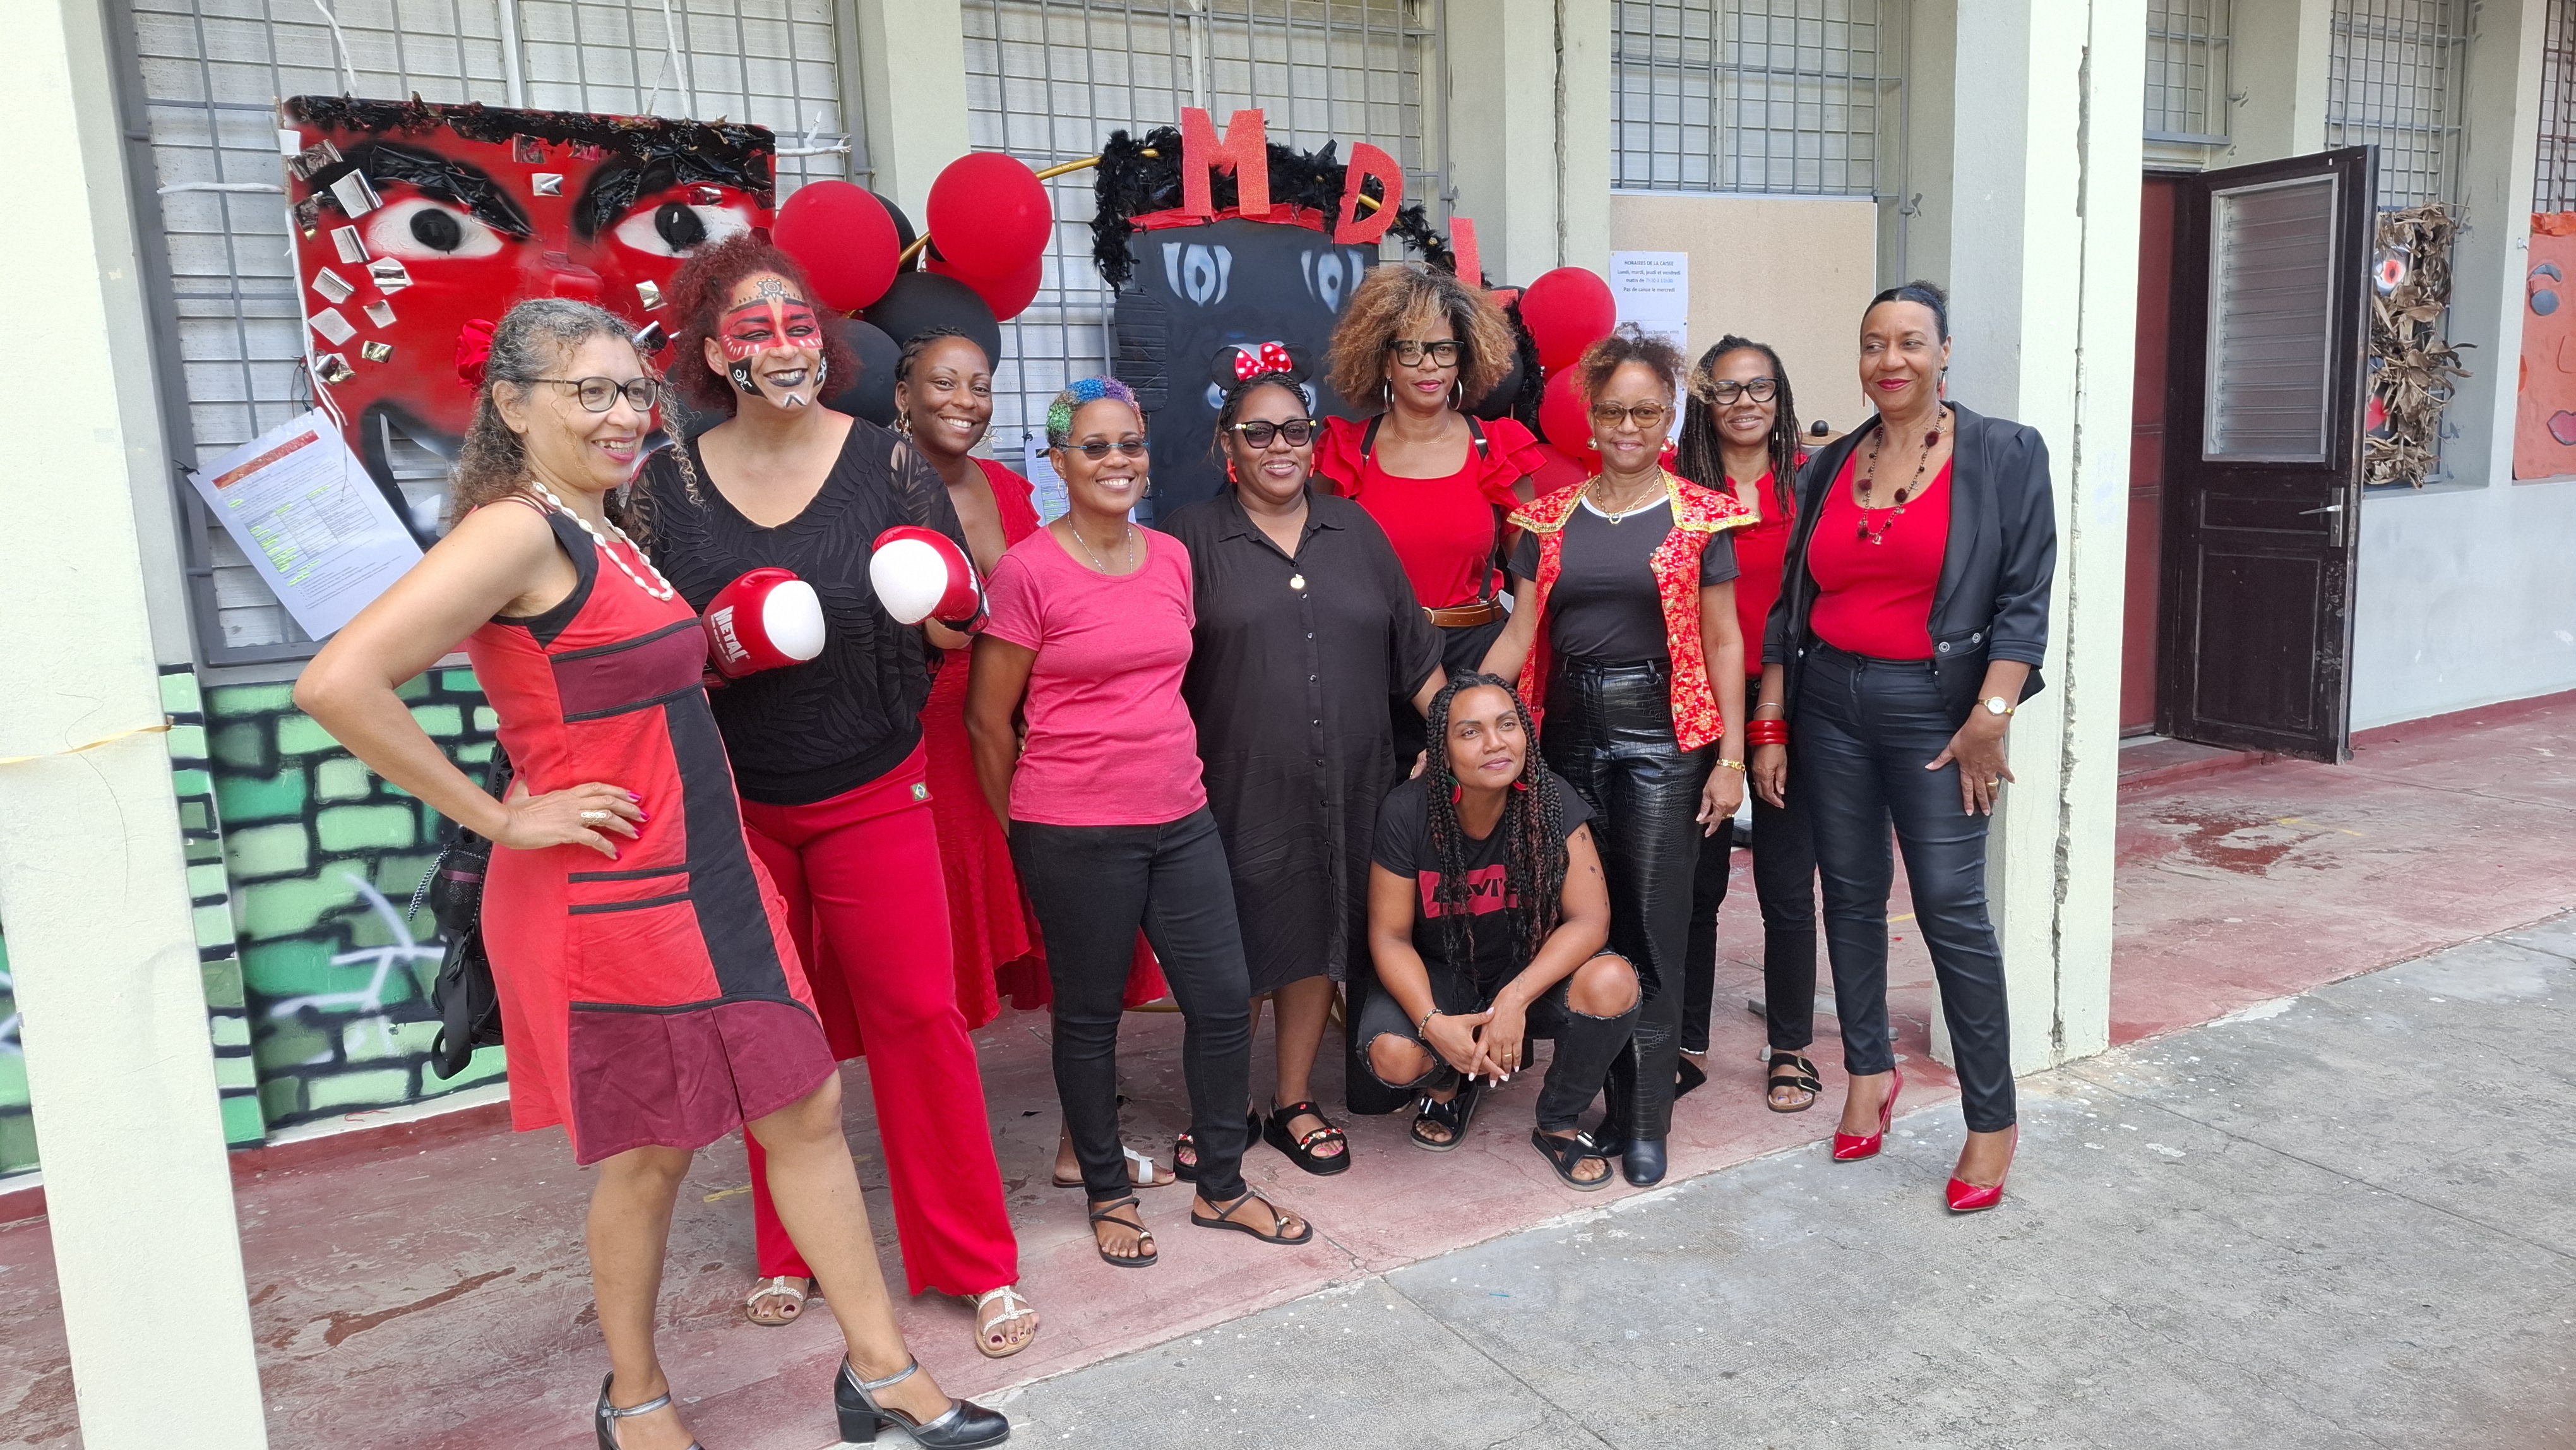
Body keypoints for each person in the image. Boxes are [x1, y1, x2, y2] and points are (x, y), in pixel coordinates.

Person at [294, 299, 1005, 1449]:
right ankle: (635, 1399)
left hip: (711, 872)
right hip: (617, 894)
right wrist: (499, 817)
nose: (624, 414)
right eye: (591, 391)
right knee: (653, 1153)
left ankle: (880, 1370)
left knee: (805, 1106)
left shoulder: (608, 522)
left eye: (635, 390)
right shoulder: (516, 532)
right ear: (513, 405)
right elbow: (338, 682)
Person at [631, 238, 1034, 1358]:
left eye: (798, 323)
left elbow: (949, 626)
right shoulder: (668, 485)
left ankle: (974, 1262)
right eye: (753, 329)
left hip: (874, 785)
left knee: (919, 1021)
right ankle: (788, 1248)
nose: (783, 345)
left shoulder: (888, 461)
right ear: (716, 354)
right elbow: (651, 651)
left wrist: (955, 595)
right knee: (771, 1036)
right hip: (740, 806)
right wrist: (720, 645)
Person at [969, 376, 1315, 1266]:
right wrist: (1024, 831)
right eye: (1095, 446)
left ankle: (1222, 1186)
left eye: (1130, 443)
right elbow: (987, 721)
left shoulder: (1169, 558)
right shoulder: (1027, 571)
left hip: (1180, 815)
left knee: (1222, 1002)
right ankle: (1107, 1192)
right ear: (1058, 462)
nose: (1117, 460)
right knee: (1090, 1020)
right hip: (1072, 831)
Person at [1750, 280, 2056, 1214]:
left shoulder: (2004, 453)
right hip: (1829, 704)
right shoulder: (1830, 464)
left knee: (1951, 909)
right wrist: (1773, 721)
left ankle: (1991, 1118)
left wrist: (1990, 717)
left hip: (1940, 712)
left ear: (1944, 351)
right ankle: (1869, 1074)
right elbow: (1792, 605)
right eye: (1875, 343)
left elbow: (2025, 599)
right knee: (1848, 895)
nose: (1892, 360)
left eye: (1911, 341)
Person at [889, 327, 1174, 1194]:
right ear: (903, 395)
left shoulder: (1011, 489)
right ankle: (942, 1165)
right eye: (944, 382)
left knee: (1074, 946)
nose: (965, 401)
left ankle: (1081, 1140)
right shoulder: (867, 489)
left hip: (1038, 744)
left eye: (980, 384)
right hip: (930, 746)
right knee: (939, 961)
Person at [1160, 347, 1445, 1177]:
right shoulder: (1185, 539)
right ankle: (1220, 1108)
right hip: (1233, 786)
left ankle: (1292, 1100)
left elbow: (1418, 661)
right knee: (1234, 953)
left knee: (1320, 936)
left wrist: (1452, 742)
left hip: (1352, 784)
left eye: (1294, 430)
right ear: (1228, 444)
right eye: (1258, 432)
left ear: (1315, 442)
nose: (1278, 446)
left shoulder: (1356, 531)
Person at [1481, 325, 1753, 1187]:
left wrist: (1732, 758)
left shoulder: (1700, 514)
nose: (1628, 426)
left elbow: (1725, 640)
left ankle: (1643, 1120)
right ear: (1590, 417)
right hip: (1568, 736)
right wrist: (1461, 718)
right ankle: (1582, 1091)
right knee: (1577, 920)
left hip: (1665, 738)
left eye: (1645, 411)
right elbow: (1521, 634)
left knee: (1653, 926)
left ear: (1668, 418)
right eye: (1613, 411)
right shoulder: (1549, 515)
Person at [1361, 674, 1640, 1187]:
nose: (1495, 743)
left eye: (1507, 725)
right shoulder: (1406, 812)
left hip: (1524, 970)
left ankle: (1558, 1119)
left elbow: (1590, 919)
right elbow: (1390, 936)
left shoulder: (1551, 801)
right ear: (1442, 753)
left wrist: (1515, 998)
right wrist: (1432, 1023)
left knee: (1613, 981)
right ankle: (1448, 1085)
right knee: (1394, 1058)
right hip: (1443, 975)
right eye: (1470, 732)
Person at [1673, 337, 1823, 1112]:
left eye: (1760, 387)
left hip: (1790, 698)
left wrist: (1768, 725)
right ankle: (1686, 1040)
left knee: (1787, 884)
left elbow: (1813, 604)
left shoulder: (1810, 483)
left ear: (1781, 395)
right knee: (1695, 886)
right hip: (1696, 700)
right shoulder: (1676, 485)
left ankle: (1790, 1045)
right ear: (1704, 401)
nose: (1745, 403)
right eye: (1727, 389)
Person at [1316, 265, 1547, 770]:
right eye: (1411, 349)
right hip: (1373, 667)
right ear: (1383, 359)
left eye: (1444, 349)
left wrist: (1477, 703)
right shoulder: (1346, 452)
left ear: (1464, 358)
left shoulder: (1499, 450)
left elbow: (1535, 591)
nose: (1429, 366)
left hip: (1481, 664)